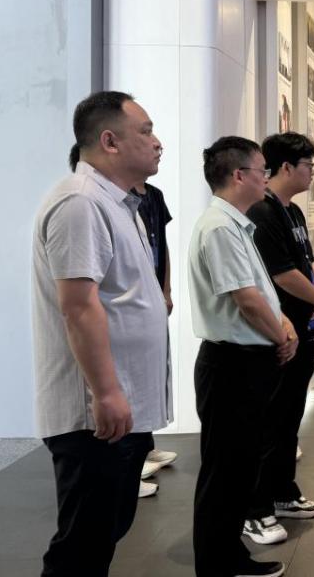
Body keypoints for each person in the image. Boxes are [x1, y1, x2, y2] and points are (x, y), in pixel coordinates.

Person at [33, 91, 171, 576]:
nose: (157, 142)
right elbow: (78, 306)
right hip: (93, 416)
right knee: (82, 547)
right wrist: (106, 392)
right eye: (146, 131)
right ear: (110, 141)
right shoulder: (81, 203)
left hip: (118, 410)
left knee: (103, 532)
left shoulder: (118, 204)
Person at [189, 136, 297, 577]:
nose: (265, 179)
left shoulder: (236, 224)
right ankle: (217, 564)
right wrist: (281, 336)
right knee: (225, 470)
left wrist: (282, 323)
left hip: (245, 362)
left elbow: (259, 291)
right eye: (261, 171)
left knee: (240, 467)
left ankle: (230, 556)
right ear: (239, 175)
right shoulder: (219, 227)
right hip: (231, 364)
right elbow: (246, 300)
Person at [243, 133, 314, 545]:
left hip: (303, 330)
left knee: (289, 417)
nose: (312, 172)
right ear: (285, 167)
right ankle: (255, 508)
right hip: (276, 334)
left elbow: (308, 263)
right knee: (269, 421)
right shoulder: (263, 213)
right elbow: (282, 274)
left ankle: (282, 491)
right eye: (308, 165)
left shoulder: (293, 211)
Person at [132, 180, 179, 496]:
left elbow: (161, 244)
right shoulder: (108, 200)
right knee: (132, 378)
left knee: (151, 374)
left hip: (152, 298)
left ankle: (145, 447)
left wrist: (166, 289)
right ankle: (132, 461)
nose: (157, 155)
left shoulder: (154, 196)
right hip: (132, 305)